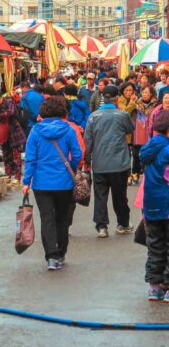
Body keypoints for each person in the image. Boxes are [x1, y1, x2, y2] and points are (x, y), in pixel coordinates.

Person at [22, 96, 82, 270]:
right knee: (62, 219)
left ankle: (51, 257)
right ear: (63, 111)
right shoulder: (69, 129)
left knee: (47, 219)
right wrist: (70, 169)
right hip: (64, 182)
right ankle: (61, 253)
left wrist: (26, 181)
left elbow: (30, 159)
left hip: (41, 183)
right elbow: (77, 154)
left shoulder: (35, 131)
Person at [84, 85, 135, 238]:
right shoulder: (123, 115)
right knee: (120, 195)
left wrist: (87, 157)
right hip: (119, 162)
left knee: (100, 196)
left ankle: (101, 227)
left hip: (99, 162)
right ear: (116, 98)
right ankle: (123, 224)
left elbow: (88, 139)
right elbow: (130, 129)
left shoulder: (93, 116)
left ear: (102, 98)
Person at [140, 111, 169, 302]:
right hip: (167, 202)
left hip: (150, 203)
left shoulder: (148, 148)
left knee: (155, 246)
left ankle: (154, 287)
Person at [0, 91, 26, 186]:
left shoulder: (9, 101)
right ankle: (8, 175)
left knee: (16, 156)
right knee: (6, 156)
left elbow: (10, 112)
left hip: (14, 133)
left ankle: (17, 178)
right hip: (4, 134)